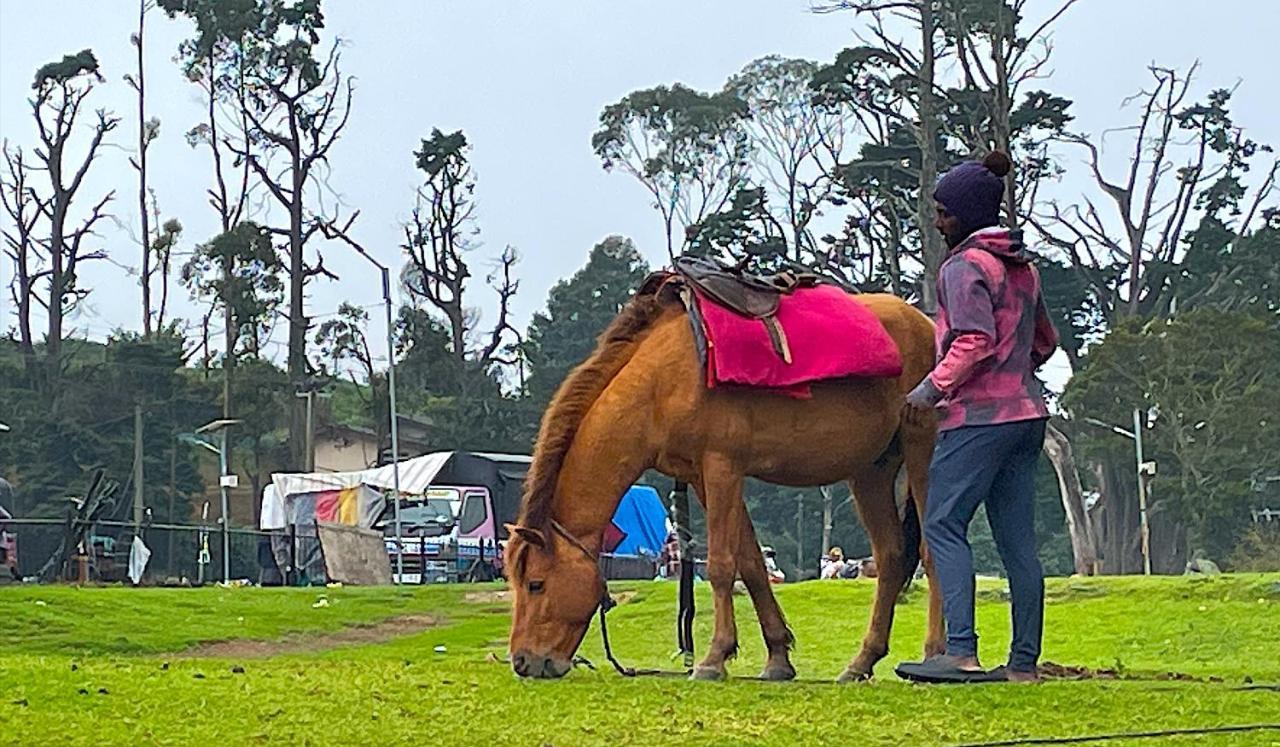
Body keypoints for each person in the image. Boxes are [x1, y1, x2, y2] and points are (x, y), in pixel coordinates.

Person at [895, 151, 1059, 685]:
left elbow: (973, 340)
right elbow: (1046, 342)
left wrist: (930, 388)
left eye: (943, 212)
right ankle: (1023, 664)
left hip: (979, 419)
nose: (938, 221)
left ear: (964, 215)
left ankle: (960, 650)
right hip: (1028, 415)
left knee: (943, 523)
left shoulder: (965, 266)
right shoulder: (1022, 266)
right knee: (1018, 543)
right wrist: (1017, 375)